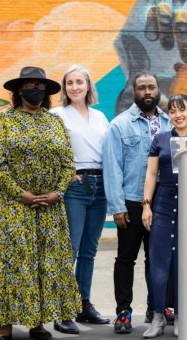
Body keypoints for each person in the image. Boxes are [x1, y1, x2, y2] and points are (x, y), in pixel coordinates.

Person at [0, 66, 80, 340]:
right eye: (29, 85)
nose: (35, 89)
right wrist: (20, 193)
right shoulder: (4, 121)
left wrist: (57, 193)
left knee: (44, 263)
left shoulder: (55, 122)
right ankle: (5, 324)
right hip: (15, 206)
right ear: (18, 90)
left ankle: (37, 323)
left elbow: (67, 162)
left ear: (46, 91)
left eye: (40, 85)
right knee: (13, 262)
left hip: (50, 207)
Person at [140, 94, 187, 338]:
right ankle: (158, 316)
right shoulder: (161, 139)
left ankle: (185, 317)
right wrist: (146, 206)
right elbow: (152, 174)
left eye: (182, 109)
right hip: (164, 202)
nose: (178, 115)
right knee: (158, 261)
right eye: (172, 111)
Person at [103, 72, 171, 334]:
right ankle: (123, 312)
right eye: (141, 88)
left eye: (151, 87)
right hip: (131, 202)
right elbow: (112, 168)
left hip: (161, 202)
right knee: (126, 258)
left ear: (158, 90)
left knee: (157, 259)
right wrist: (117, 207)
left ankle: (156, 309)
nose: (147, 92)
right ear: (134, 91)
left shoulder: (168, 123)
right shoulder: (120, 125)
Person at [50, 65, 112, 333]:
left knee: (89, 251)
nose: (74, 87)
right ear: (64, 89)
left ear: (88, 86)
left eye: (79, 82)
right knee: (70, 250)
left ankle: (83, 304)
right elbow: (49, 151)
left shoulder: (100, 117)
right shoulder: (56, 115)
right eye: (69, 83)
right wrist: (64, 177)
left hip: (100, 187)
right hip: (75, 186)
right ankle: (62, 310)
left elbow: (108, 151)